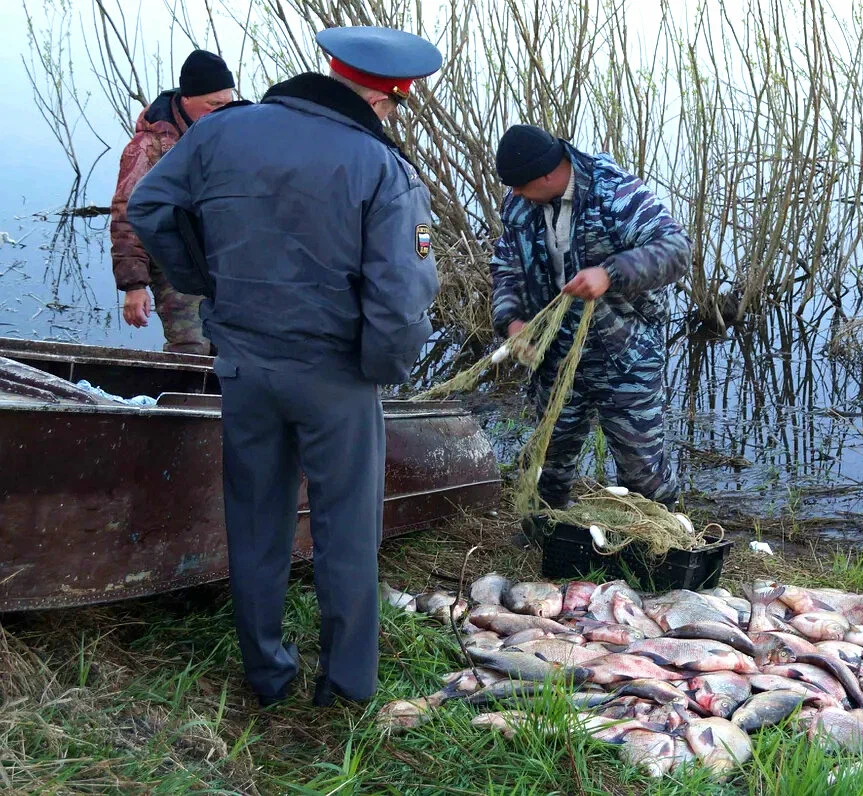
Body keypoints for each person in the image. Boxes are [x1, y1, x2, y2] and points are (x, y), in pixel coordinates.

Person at [126, 26, 442, 707]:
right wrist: (379, 369)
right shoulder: (380, 166)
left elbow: (150, 208)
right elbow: (400, 294)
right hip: (335, 375)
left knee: (256, 517)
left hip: (244, 362)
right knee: (346, 532)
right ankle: (346, 687)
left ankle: (267, 674)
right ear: (388, 98)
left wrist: (209, 284)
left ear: (327, 71)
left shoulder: (220, 133)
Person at [490, 124, 690, 511]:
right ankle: (544, 531)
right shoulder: (519, 205)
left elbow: (676, 250)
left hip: (625, 351)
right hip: (556, 351)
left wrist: (610, 273)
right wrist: (512, 323)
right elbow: (506, 267)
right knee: (549, 457)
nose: (513, 193)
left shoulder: (616, 194)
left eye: (520, 185)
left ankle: (661, 545)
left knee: (642, 467)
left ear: (548, 175)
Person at [110, 49, 235, 354]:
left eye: (228, 104)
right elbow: (126, 215)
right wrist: (134, 285)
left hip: (221, 258)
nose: (222, 112)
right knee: (191, 344)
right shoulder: (146, 147)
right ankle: (179, 396)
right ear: (187, 99)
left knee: (232, 342)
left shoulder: (231, 135)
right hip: (171, 259)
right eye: (213, 104)